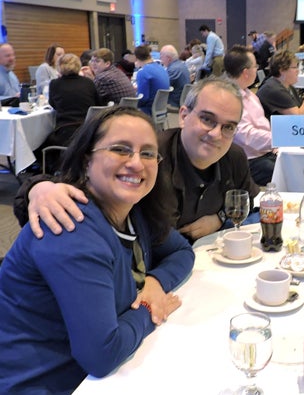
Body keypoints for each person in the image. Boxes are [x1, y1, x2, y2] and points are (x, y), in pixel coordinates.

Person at [0, 106, 194, 393]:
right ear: (86, 160)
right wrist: (150, 308)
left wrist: (155, 282)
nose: (137, 164)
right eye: (120, 149)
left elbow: (183, 253)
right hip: (46, 383)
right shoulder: (70, 227)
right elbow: (101, 355)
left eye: (148, 153)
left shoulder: (133, 211)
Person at [15, 78, 260, 244]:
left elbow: (247, 202)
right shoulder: (149, 160)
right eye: (207, 119)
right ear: (184, 115)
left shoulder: (234, 157)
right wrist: (39, 188)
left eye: (228, 126)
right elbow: (72, 185)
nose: (216, 133)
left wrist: (219, 218)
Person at [226, 45, 277, 186]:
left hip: (265, 152)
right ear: (246, 72)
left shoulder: (248, 94)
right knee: (293, 173)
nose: (258, 69)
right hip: (249, 160)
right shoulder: (231, 98)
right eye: (255, 66)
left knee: (296, 162)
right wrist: (278, 139)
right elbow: (246, 136)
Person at [40, 53, 100, 172]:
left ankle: (52, 171)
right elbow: (98, 103)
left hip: (65, 133)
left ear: (59, 67)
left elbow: (53, 104)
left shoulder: (55, 84)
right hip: (89, 132)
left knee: (39, 142)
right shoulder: (88, 83)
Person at [256, 50, 304, 120]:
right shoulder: (273, 89)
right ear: (282, 70)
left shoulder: (288, 87)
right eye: (294, 67)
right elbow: (301, 118)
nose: (298, 70)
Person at [134, 44, 170, 115]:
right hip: (161, 109)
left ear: (136, 58)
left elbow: (143, 99)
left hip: (148, 110)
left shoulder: (142, 72)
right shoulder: (161, 68)